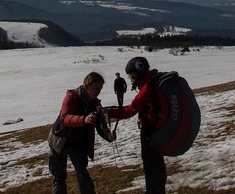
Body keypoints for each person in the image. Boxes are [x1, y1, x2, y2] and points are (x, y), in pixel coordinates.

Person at [106, 57, 167, 194]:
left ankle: (154, 190)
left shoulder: (148, 87)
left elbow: (130, 110)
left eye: (132, 75)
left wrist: (110, 112)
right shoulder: (153, 81)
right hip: (157, 128)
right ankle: (158, 189)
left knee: (150, 163)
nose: (131, 79)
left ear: (139, 71)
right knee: (157, 163)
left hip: (150, 131)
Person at [49, 72, 114, 194]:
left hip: (78, 143)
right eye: (96, 88)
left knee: (83, 174)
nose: (99, 91)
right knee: (59, 178)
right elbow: (65, 117)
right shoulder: (72, 96)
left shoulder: (96, 104)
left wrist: (108, 136)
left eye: (101, 88)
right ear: (87, 86)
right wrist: (83, 119)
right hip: (60, 141)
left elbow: (101, 125)